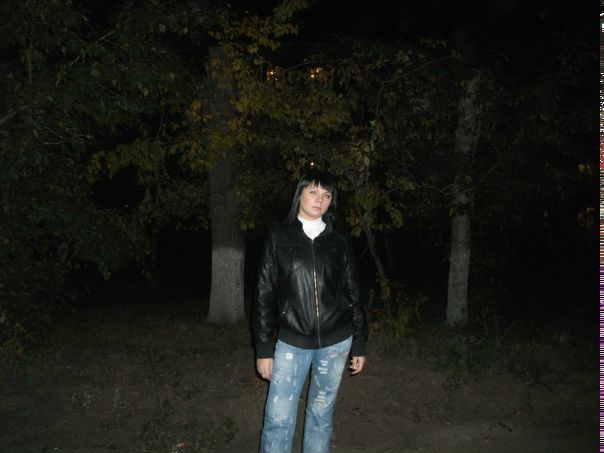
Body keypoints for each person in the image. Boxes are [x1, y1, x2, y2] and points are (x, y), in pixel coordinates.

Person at [252, 170, 368, 453]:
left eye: (326, 195)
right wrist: (264, 347)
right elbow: (264, 293)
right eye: (314, 192)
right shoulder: (279, 236)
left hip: (336, 342)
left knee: (320, 417)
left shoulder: (338, 240)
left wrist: (360, 341)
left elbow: (353, 290)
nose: (320, 199)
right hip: (292, 342)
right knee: (278, 419)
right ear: (300, 194)